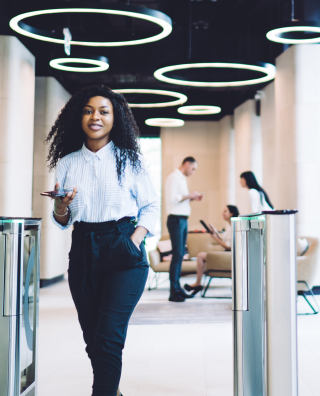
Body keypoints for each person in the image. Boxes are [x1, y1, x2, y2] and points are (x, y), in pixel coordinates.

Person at [46, 85, 159, 396]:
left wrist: (132, 241)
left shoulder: (131, 159)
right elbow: (61, 220)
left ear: (115, 118)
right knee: (93, 337)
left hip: (123, 248)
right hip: (82, 248)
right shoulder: (68, 162)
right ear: (79, 117)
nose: (95, 116)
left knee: (109, 335)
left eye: (103, 111)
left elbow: (151, 206)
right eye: (88, 111)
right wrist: (60, 206)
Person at [164, 157, 203, 302]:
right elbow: (173, 199)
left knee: (180, 255)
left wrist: (191, 198)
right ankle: (173, 291)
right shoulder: (174, 177)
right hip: (176, 219)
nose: (193, 172)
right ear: (187, 164)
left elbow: (180, 199)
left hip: (182, 219)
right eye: (193, 169)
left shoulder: (181, 178)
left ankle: (177, 288)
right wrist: (189, 195)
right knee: (178, 254)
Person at [184, 204, 239, 294]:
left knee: (200, 256)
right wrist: (215, 232)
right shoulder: (230, 226)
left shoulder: (234, 226)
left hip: (229, 254)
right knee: (201, 255)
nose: (223, 213)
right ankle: (198, 283)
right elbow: (224, 239)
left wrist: (215, 237)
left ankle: (198, 283)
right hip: (228, 253)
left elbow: (228, 246)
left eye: (225, 211)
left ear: (231, 213)